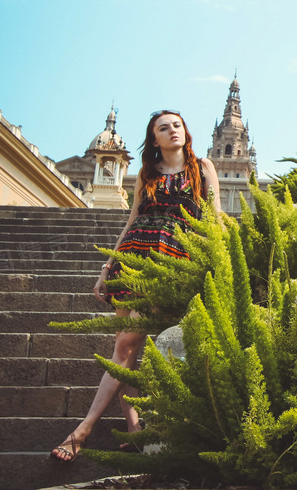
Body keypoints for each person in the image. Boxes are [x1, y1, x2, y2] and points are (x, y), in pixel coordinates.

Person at [51, 110, 221, 462]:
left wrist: (218, 259)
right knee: (123, 348)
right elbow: (132, 220)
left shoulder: (202, 167)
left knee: (127, 343)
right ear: (154, 139)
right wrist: (106, 267)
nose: (172, 131)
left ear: (185, 131)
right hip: (132, 255)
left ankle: (83, 430)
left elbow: (215, 217)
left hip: (168, 261)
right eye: (163, 128)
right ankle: (133, 426)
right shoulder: (146, 173)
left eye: (177, 125)